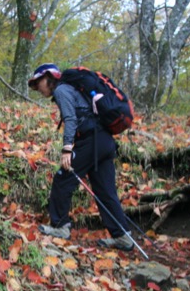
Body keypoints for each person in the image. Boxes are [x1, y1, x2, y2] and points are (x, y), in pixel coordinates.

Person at [28, 63, 133, 251]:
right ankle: (123, 236)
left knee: (63, 179)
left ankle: (60, 226)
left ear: (49, 77)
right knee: (105, 191)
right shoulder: (73, 88)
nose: (37, 88)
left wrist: (67, 148)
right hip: (104, 142)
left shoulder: (61, 90)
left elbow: (71, 119)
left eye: (38, 82)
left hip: (91, 141)